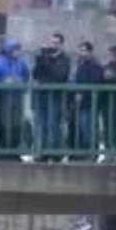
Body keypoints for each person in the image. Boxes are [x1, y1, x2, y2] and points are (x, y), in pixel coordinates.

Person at [32, 32, 71, 162]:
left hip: (55, 96)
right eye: (51, 42)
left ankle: (55, 151)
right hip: (42, 94)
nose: (53, 45)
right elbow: (36, 74)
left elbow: (60, 75)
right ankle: (42, 151)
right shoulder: (46, 57)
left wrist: (49, 62)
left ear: (61, 44)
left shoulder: (64, 58)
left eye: (56, 43)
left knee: (53, 123)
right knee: (41, 124)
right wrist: (40, 61)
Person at [0, 39, 30, 161]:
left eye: (18, 50)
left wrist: (20, 83)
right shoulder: (0, 63)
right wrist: (4, 82)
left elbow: (26, 76)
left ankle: (14, 150)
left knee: (16, 124)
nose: (17, 52)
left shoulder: (21, 63)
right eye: (15, 49)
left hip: (17, 98)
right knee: (4, 123)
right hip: (3, 98)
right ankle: (3, 150)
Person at [71, 41, 105, 160]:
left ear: (90, 52)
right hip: (81, 104)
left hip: (91, 103)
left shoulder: (96, 66)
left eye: (84, 50)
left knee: (89, 129)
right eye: (80, 50)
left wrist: (82, 94)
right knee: (82, 128)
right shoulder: (80, 66)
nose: (82, 53)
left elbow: (95, 83)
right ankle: (85, 153)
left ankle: (92, 153)